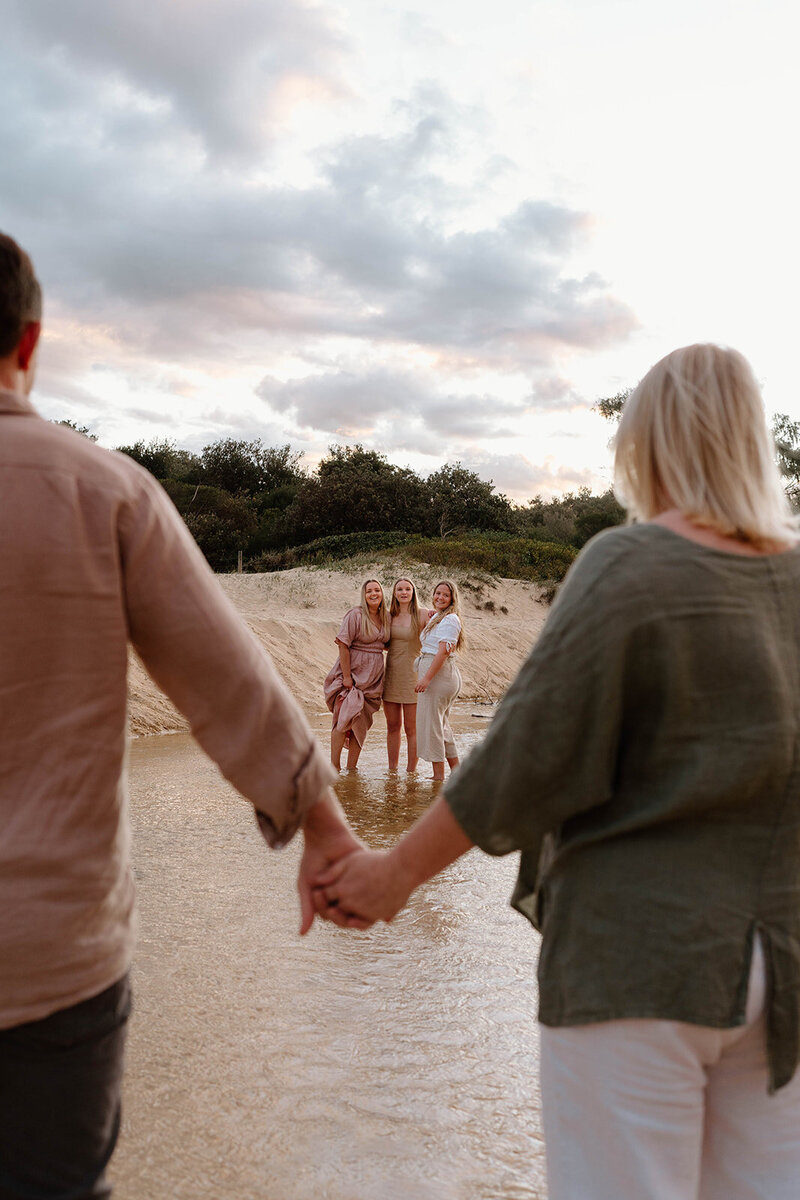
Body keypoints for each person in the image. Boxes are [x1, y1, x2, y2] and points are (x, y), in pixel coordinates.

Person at [314, 344, 800, 1200]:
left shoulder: (629, 566)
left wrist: (391, 875)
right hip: (787, 965)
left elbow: (524, 756)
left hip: (635, 959)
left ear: (648, 443)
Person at [0, 232, 362, 1200]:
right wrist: (323, 832)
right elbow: (227, 682)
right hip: (50, 957)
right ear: (30, 341)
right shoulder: (103, 490)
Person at [324, 579, 389, 770]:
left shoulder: (386, 617)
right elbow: (343, 644)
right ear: (364, 594)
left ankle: (352, 769)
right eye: (369, 591)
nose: (373, 594)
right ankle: (334, 766)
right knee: (343, 719)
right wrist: (346, 677)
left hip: (374, 680)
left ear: (382, 593)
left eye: (377, 590)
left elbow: (388, 642)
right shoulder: (355, 615)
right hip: (352, 674)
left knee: (361, 723)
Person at [414, 581, 463, 781]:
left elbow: (442, 652)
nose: (440, 598)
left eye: (445, 595)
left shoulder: (451, 619)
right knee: (441, 725)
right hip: (439, 673)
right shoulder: (441, 618)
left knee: (433, 725)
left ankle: (438, 777)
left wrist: (426, 678)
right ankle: (457, 772)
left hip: (438, 674)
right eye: (437, 593)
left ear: (452, 599)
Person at [382, 578, 432, 772]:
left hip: (413, 675)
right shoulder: (388, 616)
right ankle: (392, 770)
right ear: (394, 593)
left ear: (413, 592)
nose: (404, 592)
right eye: (400, 589)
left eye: (407, 589)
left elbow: (440, 631)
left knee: (412, 729)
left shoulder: (423, 614)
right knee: (392, 726)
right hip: (391, 674)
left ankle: (411, 772)